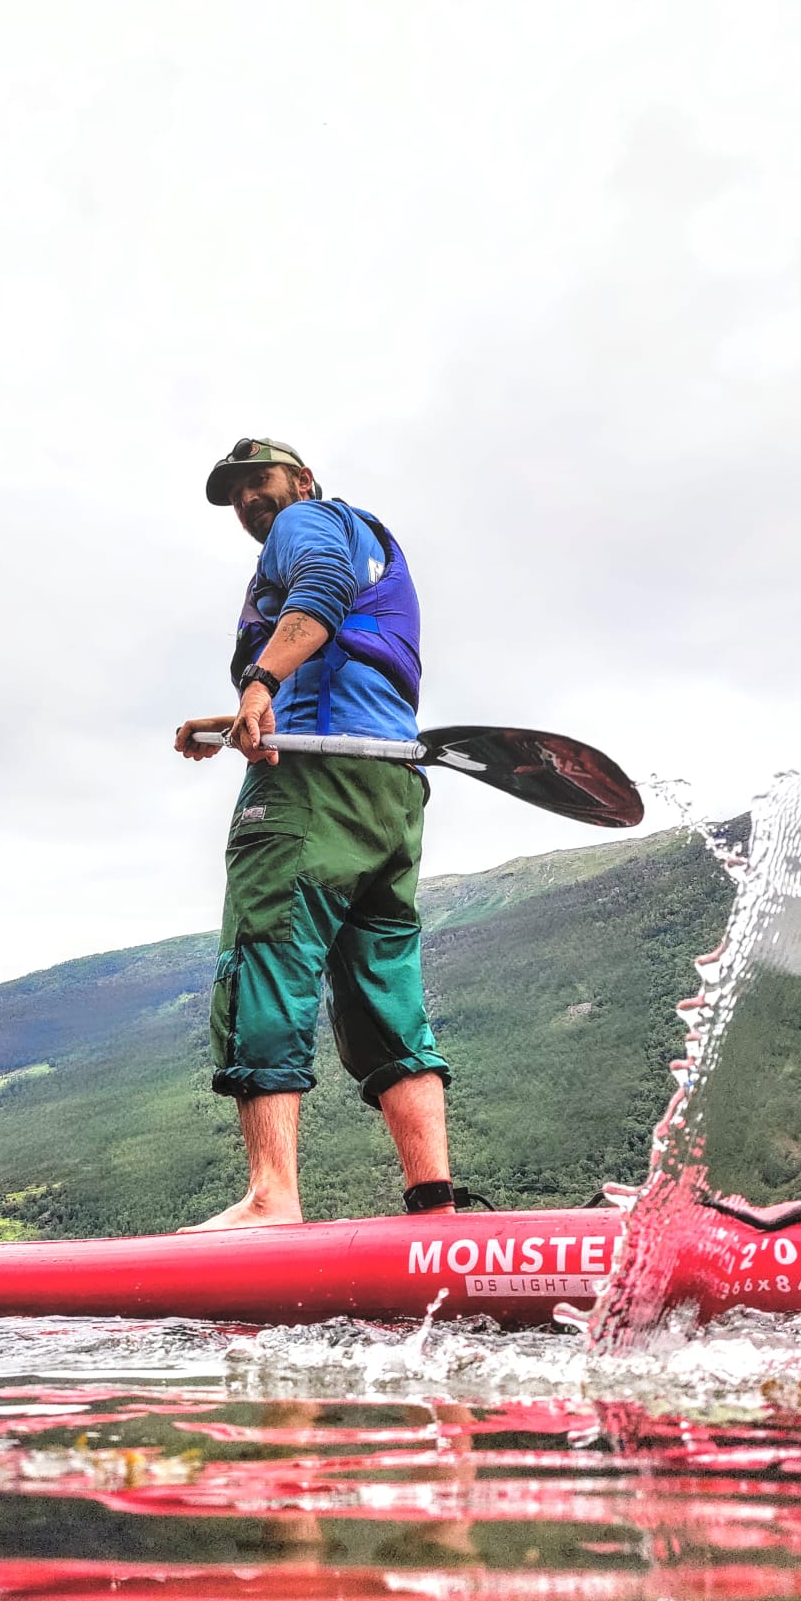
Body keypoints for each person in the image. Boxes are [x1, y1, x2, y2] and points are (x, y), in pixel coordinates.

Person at [175, 437, 454, 1229]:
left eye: (256, 482)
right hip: (392, 789)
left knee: (266, 954)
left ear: (298, 479)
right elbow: (345, 658)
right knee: (385, 988)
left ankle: (273, 1199)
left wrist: (259, 681)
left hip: (311, 789)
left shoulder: (308, 524)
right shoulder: (375, 544)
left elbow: (322, 592)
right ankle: (432, 1205)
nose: (247, 502)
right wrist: (238, 715)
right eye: (233, 495)